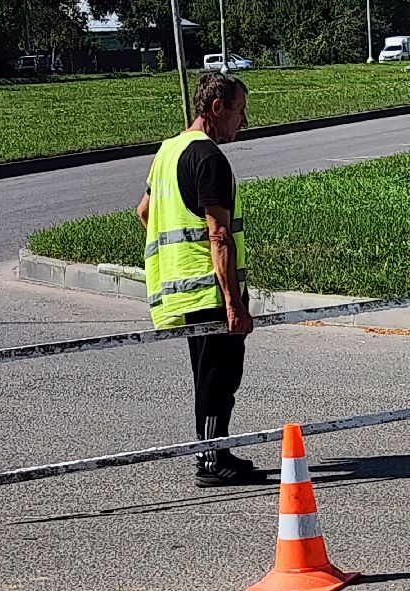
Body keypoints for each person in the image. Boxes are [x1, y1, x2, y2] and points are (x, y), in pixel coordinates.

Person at [136, 72, 259, 487]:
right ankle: (209, 459)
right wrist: (233, 302)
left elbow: (144, 212)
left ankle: (216, 449)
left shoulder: (168, 151)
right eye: (240, 111)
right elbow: (219, 234)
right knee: (217, 376)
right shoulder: (208, 159)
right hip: (208, 287)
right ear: (217, 108)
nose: (243, 121)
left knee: (211, 373)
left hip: (179, 285)